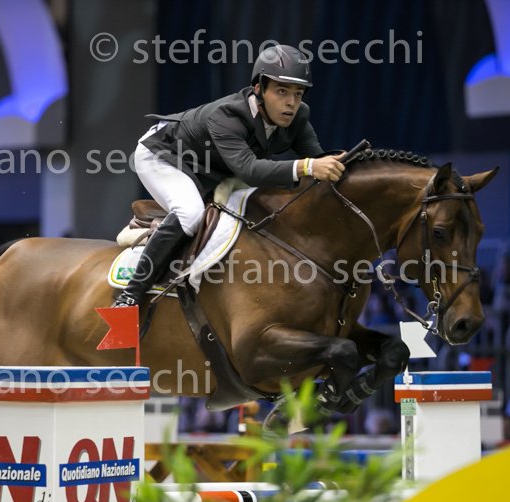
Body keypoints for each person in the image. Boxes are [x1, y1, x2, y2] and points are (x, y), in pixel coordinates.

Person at [113, 44, 345, 307]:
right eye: (282, 91)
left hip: (212, 168)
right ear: (259, 89)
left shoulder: (299, 116)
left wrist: (346, 163)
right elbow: (251, 170)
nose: (291, 103)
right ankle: (130, 295)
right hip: (163, 154)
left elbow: (317, 159)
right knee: (190, 214)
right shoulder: (227, 115)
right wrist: (308, 167)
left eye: (298, 93)